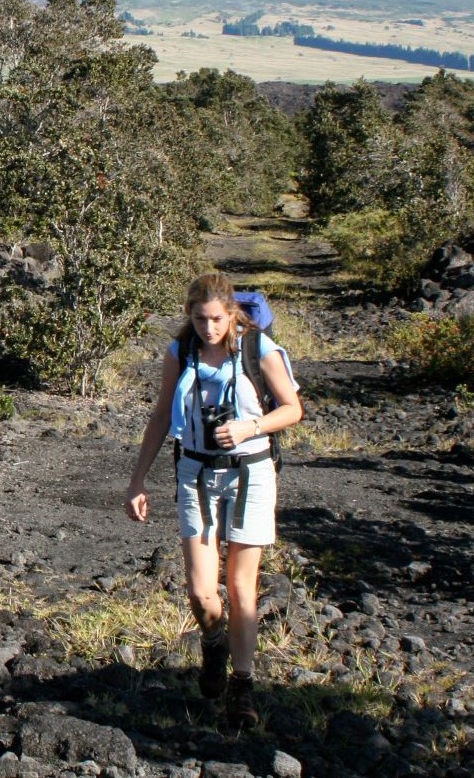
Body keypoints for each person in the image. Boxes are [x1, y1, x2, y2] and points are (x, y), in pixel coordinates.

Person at [124, 272, 302, 728]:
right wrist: (137, 479)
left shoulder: (257, 348)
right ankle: (214, 640)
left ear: (232, 313)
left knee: (243, 589)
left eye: (217, 319)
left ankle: (242, 687)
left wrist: (250, 426)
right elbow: (162, 414)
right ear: (190, 316)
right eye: (200, 319)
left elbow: (291, 408)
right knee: (203, 593)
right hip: (195, 471)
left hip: (251, 473)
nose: (209, 328)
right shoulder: (180, 353)